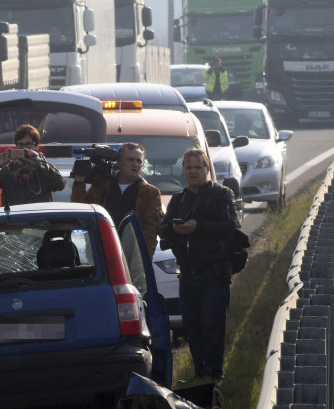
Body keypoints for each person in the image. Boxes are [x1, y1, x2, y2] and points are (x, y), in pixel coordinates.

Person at [158, 147, 241, 381]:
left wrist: (199, 226)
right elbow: (162, 229)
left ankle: (215, 377)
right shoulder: (178, 199)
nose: (193, 172)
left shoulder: (221, 194)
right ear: (183, 170)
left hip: (214, 274)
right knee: (192, 330)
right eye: (189, 167)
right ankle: (199, 374)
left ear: (207, 169)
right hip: (187, 275)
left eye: (198, 167)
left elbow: (230, 226)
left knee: (212, 329)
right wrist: (173, 228)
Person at [70, 142, 162, 252]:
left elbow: (150, 233)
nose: (135, 164)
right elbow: (81, 211)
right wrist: (79, 183)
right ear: (119, 162)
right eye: (130, 159)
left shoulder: (150, 193)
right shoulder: (102, 187)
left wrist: (143, 262)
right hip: (102, 252)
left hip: (132, 255)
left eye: (139, 161)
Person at [0, 125, 65, 206]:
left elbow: (60, 185)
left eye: (28, 144)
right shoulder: (9, 170)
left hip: (40, 218)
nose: (24, 148)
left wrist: (39, 164)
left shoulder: (43, 168)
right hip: (16, 219)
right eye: (20, 144)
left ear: (35, 146)